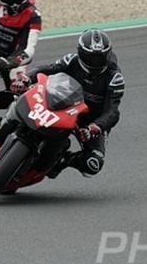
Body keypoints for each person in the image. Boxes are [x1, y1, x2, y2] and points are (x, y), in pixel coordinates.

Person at [13, 28, 125, 178]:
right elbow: (47, 69)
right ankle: (9, 123)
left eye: (99, 57)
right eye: (90, 57)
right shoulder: (72, 60)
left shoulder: (114, 78)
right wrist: (27, 78)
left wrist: (96, 126)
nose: (95, 62)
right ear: (81, 53)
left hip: (90, 121)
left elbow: (112, 111)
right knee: (22, 94)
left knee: (93, 164)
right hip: (63, 106)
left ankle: (65, 160)